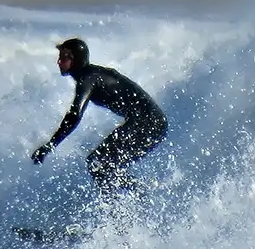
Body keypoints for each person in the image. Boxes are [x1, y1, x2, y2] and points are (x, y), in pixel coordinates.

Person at [31, 38, 168, 195]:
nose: (58, 62)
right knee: (104, 166)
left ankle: (125, 203)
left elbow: (74, 115)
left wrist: (51, 145)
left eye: (64, 57)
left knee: (98, 163)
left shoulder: (89, 78)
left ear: (75, 60)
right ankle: (136, 197)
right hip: (152, 124)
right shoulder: (91, 76)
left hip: (149, 124)